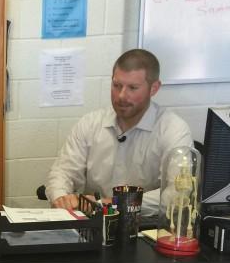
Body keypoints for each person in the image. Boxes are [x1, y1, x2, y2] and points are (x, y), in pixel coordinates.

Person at [45, 49, 192, 216]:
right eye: (116, 85)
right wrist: (61, 197)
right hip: (93, 225)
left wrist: (115, 204)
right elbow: (63, 171)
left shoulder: (173, 129)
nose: (121, 96)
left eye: (133, 88)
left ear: (154, 88)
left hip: (144, 228)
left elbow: (178, 193)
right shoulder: (90, 124)